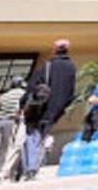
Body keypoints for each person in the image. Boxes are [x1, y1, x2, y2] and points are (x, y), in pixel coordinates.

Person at [20, 39, 76, 180]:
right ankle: (33, 167)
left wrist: (23, 105)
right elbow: (71, 93)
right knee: (41, 137)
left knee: (32, 136)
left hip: (39, 108)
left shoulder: (47, 66)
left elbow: (32, 87)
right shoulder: (71, 68)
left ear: (55, 50)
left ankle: (30, 168)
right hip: (55, 111)